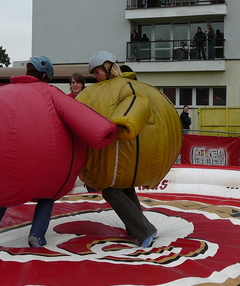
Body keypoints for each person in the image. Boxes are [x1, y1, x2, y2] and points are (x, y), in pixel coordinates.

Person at [0, 56, 116, 249]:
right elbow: (79, 115)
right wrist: (106, 132)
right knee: (47, 195)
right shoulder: (50, 93)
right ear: (44, 76)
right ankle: (36, 236)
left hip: (4, 165)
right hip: (41, 165)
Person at [76, 51, 182, 248]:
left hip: (121, 150)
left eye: (97, 72)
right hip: (120, 152)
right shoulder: (101, 90)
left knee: (110, 190)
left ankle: (146, 230)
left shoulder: (126, 87)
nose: (95, 76)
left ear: (108, 67)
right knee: (125, 188)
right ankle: (136, 229)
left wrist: (118, 126)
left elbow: (137, 103)